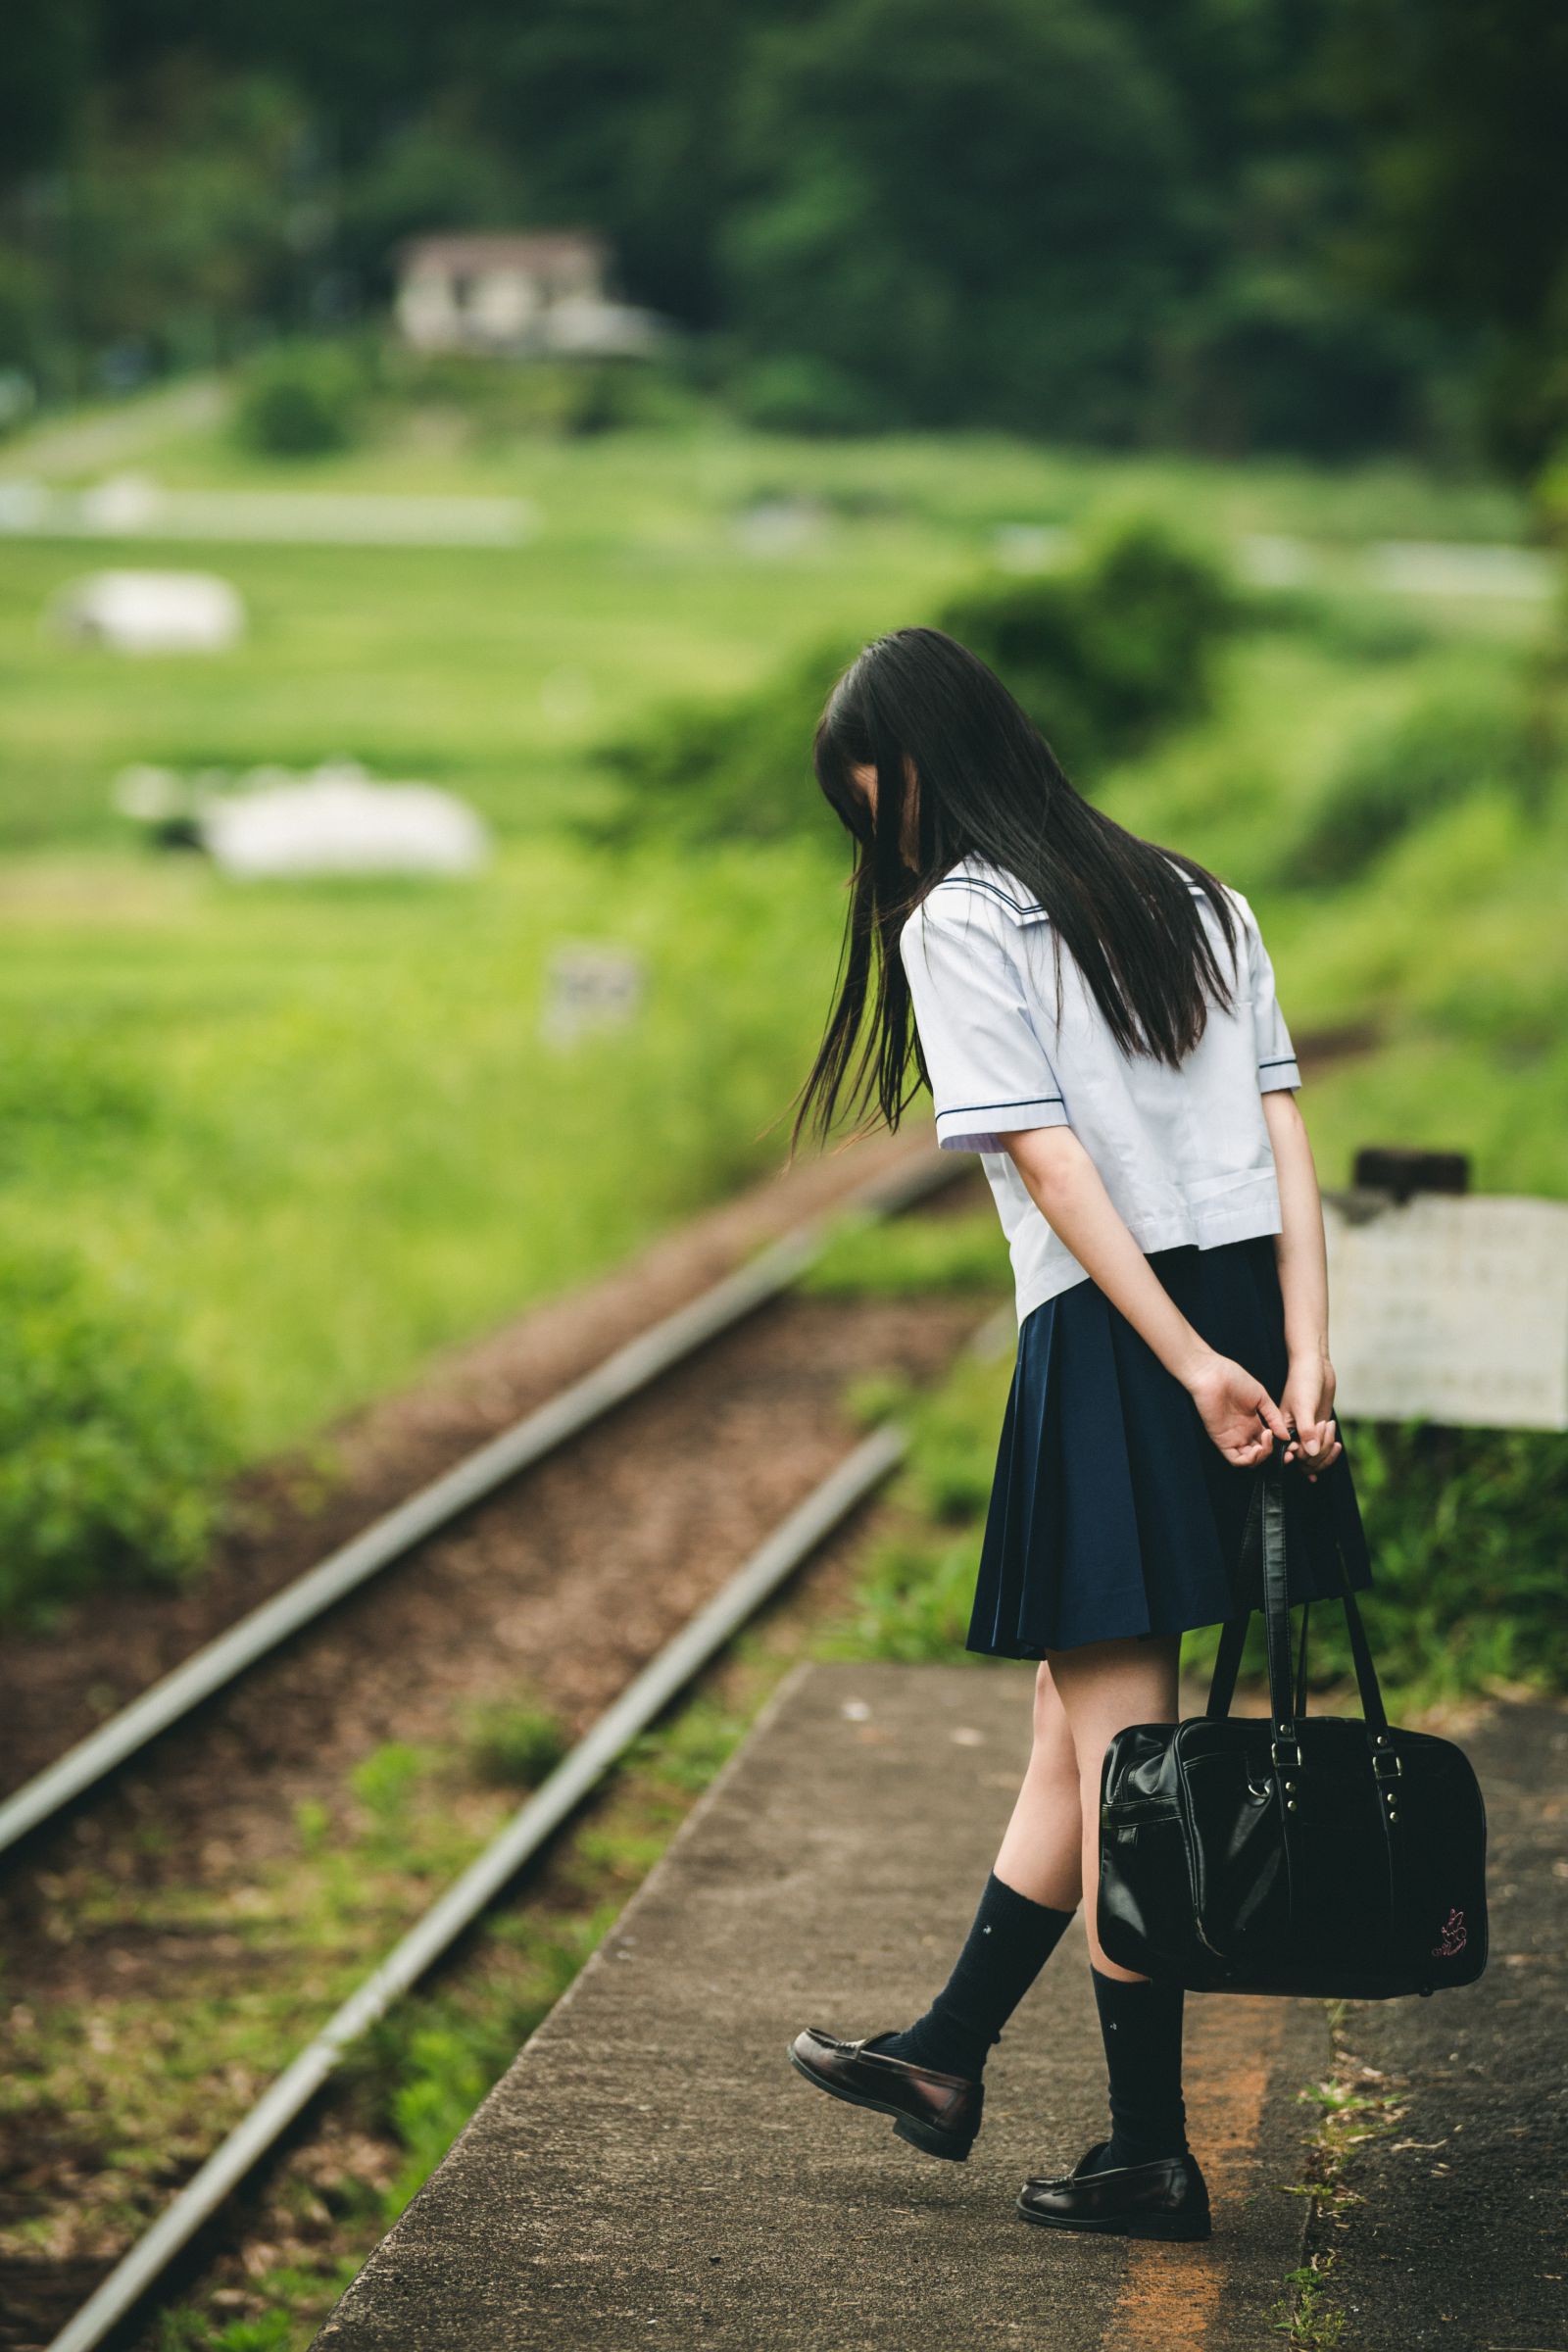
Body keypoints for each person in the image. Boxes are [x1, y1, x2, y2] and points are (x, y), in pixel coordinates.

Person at [782, 624, 1373, 2242]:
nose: (880, 832)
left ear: (927, 767)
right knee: (1080, 1726)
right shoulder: (1197, 894)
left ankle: (1146, 2153)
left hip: (1125, 1344)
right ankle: (949, 2057)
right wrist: (1301, 1359)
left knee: (1126, 1760)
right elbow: (1282, 1139)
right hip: (1241, 1322)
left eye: (876, 794)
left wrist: (1181, 1362)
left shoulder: (963, 920)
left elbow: (1052, 1165)